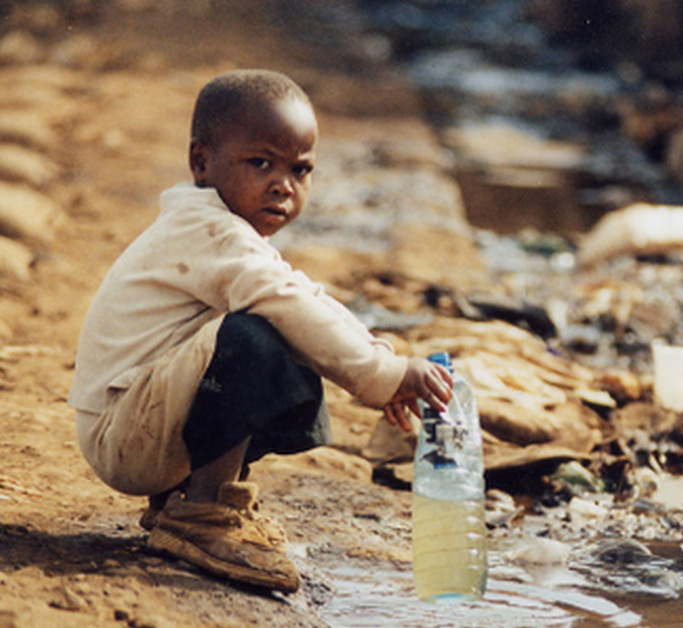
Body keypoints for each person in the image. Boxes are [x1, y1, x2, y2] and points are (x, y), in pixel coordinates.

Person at [68, 69, 452, 593]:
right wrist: (383, 375)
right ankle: (202, 514)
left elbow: (304, 297)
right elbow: (288, 302)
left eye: (301, 169)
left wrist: (382, 359)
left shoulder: (226, 232)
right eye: (261, 163)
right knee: (257, 336)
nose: (283, 185)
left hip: (142, 425)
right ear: (201, 162)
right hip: (124, 436)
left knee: (289, 335)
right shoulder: (206, 231)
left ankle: (187, 499)